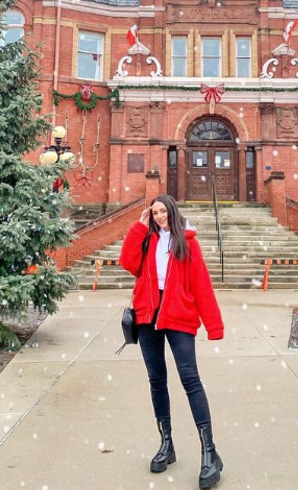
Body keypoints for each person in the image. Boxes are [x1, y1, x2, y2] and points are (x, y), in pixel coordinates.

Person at [120, 194, 225, 489]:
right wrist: (139, 228)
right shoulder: (147, 239)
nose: (159, 216)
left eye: (163, 211)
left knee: (190, 380)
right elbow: (128, 263)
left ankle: (209, 452)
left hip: (178, 314)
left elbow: (201, 283)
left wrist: (213, 325)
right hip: (147, 315)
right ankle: (167, 444)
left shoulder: (187, 242)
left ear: (172, 212)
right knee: (156, 380)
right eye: (154, 213)